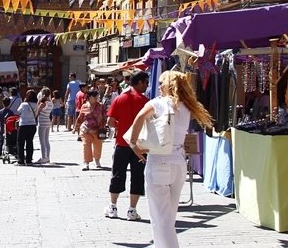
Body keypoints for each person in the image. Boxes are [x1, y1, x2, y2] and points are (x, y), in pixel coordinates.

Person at [128, 71, 213, 248]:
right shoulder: (188, 105)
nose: (158, 86)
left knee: (160, 217)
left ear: (170, 85)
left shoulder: (158, 103)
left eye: (161, 83)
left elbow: (138, 119)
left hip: (159, 160)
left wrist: (134, 145)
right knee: (169, 216)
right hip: (178, 161)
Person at [104, 71, 150, 220]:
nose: (147, 85)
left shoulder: (119, 99)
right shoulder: (145, 101)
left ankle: (113, 206)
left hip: (122, 143)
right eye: (146, 82)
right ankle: (132, 210)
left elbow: (110, 122)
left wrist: (121, 126)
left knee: (117, 174)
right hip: (140, 145)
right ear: (140, 82)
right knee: (137, 176)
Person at [75, 89, 106, 171]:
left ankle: (97, 161)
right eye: (95, 96)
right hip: (86, 130)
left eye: (97, 96)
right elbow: (80, 118)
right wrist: (76, 128)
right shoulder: (84, 106)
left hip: (98, 130)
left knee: (98, 146)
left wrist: (104, 127)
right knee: (86, 146)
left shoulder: (101, 106)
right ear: (89, 97)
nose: (97, 97)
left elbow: (104, 117)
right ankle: (86, 163)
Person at [16, 89, 39, 165]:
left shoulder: (23, 104)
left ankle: (21, 160)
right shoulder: (36, 104)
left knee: (20, 143)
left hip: (23, 125)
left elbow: (18, 111)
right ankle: (29, 160)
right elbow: (36, 114)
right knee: (30, 142)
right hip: (32, 125)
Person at [35, 88, 54, 164]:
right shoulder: (51, 103)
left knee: (42, 141)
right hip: (48, 121)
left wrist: (39, 101)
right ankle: (48, 157)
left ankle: (43, 157)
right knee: (46, 140)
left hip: (42, 122)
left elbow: (37, 112)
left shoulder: (43, 103)